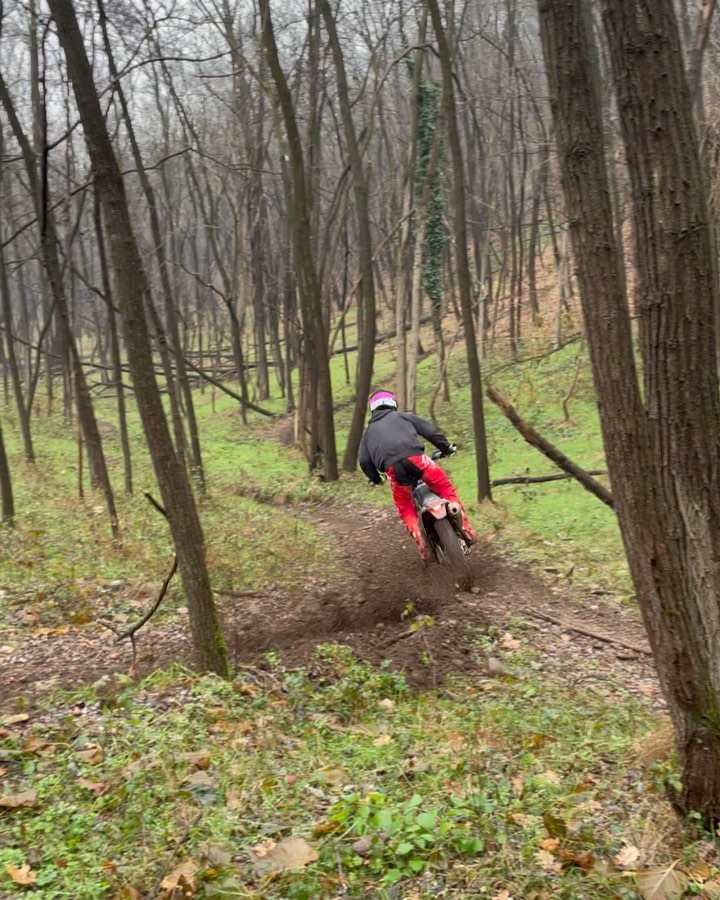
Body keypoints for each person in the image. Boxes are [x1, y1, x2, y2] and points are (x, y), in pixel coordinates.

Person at [358, 389, 476, 560]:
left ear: (373, 408)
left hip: (393, 469)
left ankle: (423, 544)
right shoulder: (404, 417)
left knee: (406, 507)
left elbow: (363, 460)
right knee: (445, 488)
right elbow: (430, 431)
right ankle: (467, 530)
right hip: (417, 459)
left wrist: (375, 479)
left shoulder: (368, 434)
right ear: (393, 403)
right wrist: (446, 448)